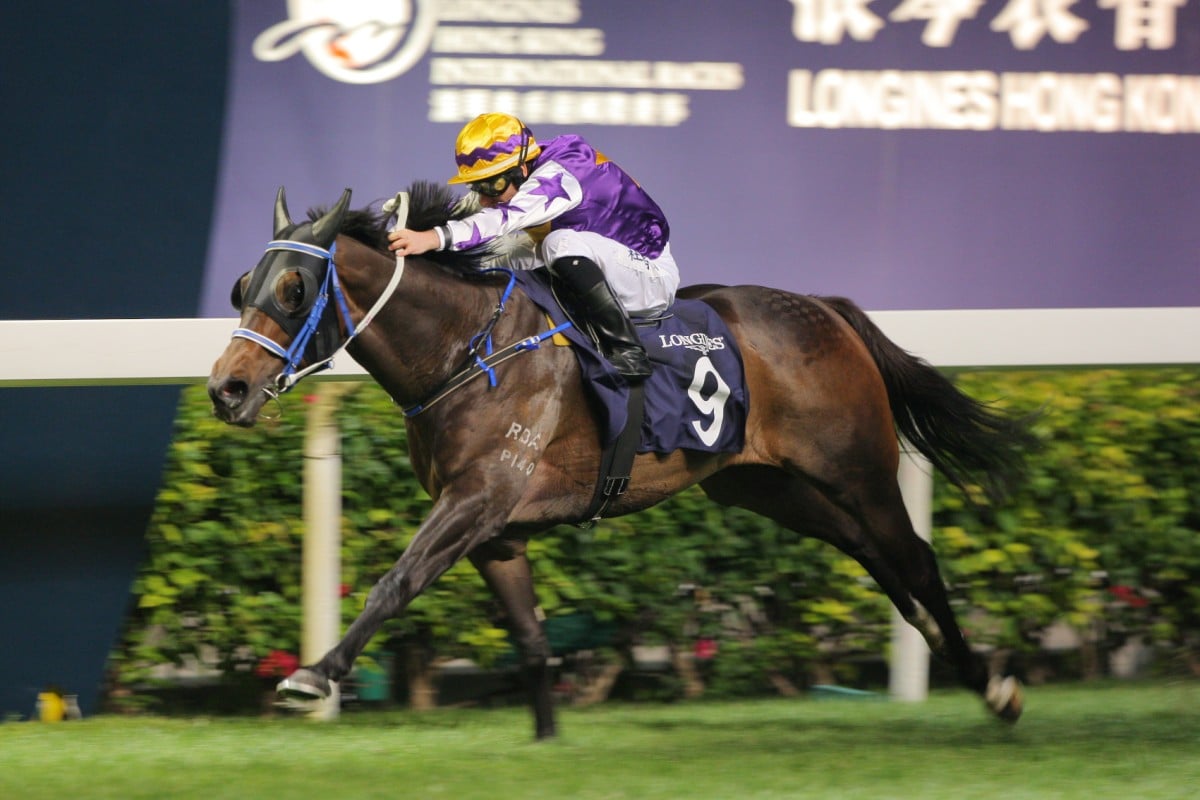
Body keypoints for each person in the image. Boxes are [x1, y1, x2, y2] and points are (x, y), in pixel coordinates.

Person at [389, 112, 680, 380]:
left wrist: (433, 237)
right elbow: (472, 209)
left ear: (523, 168)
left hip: (649, 278)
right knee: (496, 253)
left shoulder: (561, 176)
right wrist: (415, 224)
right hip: (606, 260)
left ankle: (627, 350)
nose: (484, 198)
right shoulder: (524, 164)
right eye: (478, 186)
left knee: (557, 242)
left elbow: (501, 219)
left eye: (492, 187)